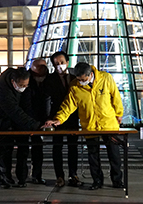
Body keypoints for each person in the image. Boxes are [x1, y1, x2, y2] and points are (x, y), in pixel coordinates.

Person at [44, 62, 124, 190]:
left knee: (114, 154)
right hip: (90, 125)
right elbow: (68, 105)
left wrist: (119, 113)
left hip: (108, 124)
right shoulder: (75, 86)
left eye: (83, 79)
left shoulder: (106, 78)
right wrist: (58, 119)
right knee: (93, 156)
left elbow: (116, 97)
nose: (81, 82)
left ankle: (117, 180)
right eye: (78, 79)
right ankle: (97, 181)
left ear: (90, 74)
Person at [0, 67, 40, 189]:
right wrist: (35, 125)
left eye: (26, 85)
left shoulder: (16, 83)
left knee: (7, 148)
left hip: (6, 120)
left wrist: (33, 123)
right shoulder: (3, 89)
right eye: (21, 85)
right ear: (13, 81)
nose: (23, 87)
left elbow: (25, 106)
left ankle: (5, 176)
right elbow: (14, 111)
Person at [44, 51, 82, 187]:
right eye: (56, 64)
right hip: (56, 119)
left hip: (72, 118)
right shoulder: (49, 79)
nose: (59, 65)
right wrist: (49, 118)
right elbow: (47, 100)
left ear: (67, 62)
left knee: (73, 147)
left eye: (61, 62)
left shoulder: (75, 77)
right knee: (57, 148)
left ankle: (73, 175)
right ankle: (59, 176)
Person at [21, 58, 50, 184]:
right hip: (24, 120)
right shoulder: (26, 80)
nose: (40, 71)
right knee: (23, 150)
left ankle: (36, 175)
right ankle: (22, 176)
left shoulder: (47, 80)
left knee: (37, 150)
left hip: (39, 121)